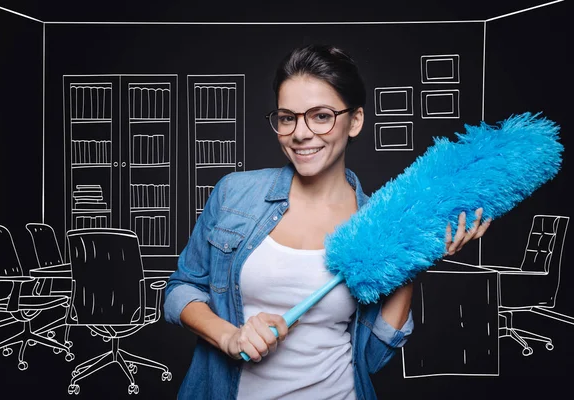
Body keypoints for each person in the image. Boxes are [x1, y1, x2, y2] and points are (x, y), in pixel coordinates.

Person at [164, 44, 491, 399]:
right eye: (288, 117)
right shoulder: (235, 194)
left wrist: (414, 258)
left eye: (320, 116)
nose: (300, 133)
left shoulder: (377, 224)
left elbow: (373, 358)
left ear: (355, 121)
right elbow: (180, 290)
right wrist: (229, 336)